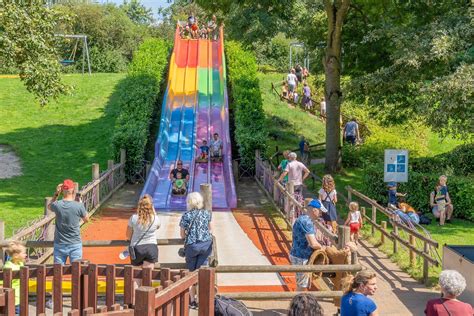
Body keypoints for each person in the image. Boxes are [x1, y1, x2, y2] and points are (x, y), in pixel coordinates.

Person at [179, 192, 213, 309]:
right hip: (205, 246)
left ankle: (192, 300)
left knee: (191, 273)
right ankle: (201, 300)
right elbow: (210, 230)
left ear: (189, 202)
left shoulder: (186, 215)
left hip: (192, 246)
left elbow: (182, 235)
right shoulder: (206, 213)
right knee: (201, 273)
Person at [48, 179, 89, 264]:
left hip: (59, 244)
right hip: (75, 243)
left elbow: (49, 206)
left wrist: (56, 194)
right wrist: (81, 204)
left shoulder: (57, 205)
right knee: (77, 272)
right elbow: (86, 220)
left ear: (62, 190)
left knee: (58, 272)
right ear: (73, 190)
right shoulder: (79, 206)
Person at [289, 199, 326, 291]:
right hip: (302, 257)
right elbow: (313, 243)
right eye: (320, 211)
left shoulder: (302, 218)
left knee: (301, 284)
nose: (321, 214)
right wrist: (323, 248)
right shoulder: (307, 222)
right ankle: (298, 304)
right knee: (302, 286)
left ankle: (298, 302)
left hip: (296, 253)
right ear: (314, 210)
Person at [126, 194, 160, 268]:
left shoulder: (133, 218)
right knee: (148, 275)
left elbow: (128, 236)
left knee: (137, 276)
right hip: (151, 248)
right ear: (151, 206)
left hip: (137, 249)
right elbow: (158, 226)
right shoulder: (155, 218)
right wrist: (153, 211)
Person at [3, 241, 27, 314]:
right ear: (16, 255)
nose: (26, 255)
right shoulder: (8, 266)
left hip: (21, 297)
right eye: (23, 253)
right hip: (14, 298)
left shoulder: (21, 264)